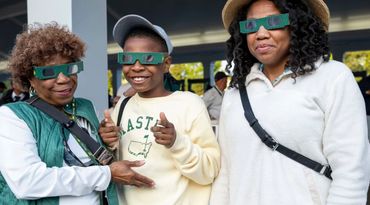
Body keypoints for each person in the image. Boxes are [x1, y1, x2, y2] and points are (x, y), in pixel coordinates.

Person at [210, 0, 370, 204]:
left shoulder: (333, 77)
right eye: (250, 26)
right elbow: (226, 172)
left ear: (297, 23)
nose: (260, 33)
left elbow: (351, 170)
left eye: (274, 21)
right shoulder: (235, 92)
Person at [0, 23, 154, 205]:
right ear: (29, 78)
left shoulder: (86, 108)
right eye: (49, 72)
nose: (64, 79)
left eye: (69, 68)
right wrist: (107, 174)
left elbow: (104, 158)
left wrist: (110, 142)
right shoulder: (12, 117)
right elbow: (28, 182)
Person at [99, 14, 220, 205]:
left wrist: (176, 142)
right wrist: (107, 142)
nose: (136, 67)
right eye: (128, 58)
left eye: (148, 58)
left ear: (165, 64)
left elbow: (210, 171)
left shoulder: (190, 104)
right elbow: (112, 164)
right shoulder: (122, 106)